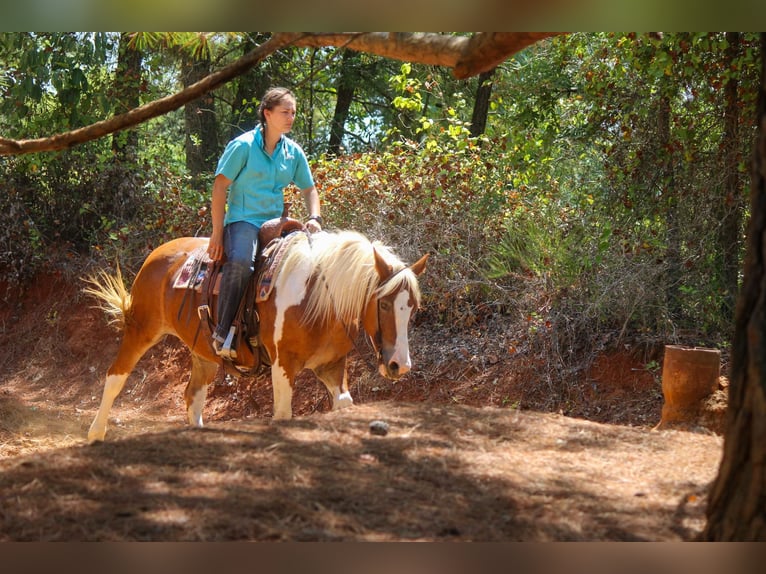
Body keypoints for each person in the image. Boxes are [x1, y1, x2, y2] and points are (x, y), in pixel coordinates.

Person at [207, 87, 323, 359]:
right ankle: (224, 331)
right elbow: (219, 186)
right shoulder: (243, 146)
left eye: (293, 112)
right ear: (267, 113)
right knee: (241, 263)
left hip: (277, 223)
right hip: (244, 221)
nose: (291, 117)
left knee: (307, 264)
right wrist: (216, 233)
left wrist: (314, 217)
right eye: (285, 112)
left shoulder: (293, 152)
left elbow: (309, 189)